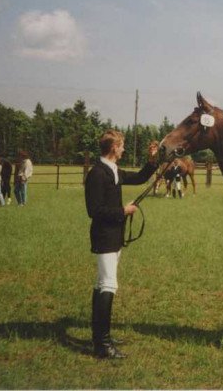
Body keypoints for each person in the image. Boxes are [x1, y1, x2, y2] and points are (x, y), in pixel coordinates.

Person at [85, 130, 159, 359]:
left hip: (113, 236)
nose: (124, 149)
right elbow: (94, 211)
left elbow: (139, 178)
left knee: (101, 284)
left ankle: (100, 337)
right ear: (113, 148)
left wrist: (152, 161)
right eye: (122, 146)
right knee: (108, 284)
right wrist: (123, 211)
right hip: (104, 236)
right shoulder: (97, 173)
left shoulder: (113, 170)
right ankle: (103, 345)